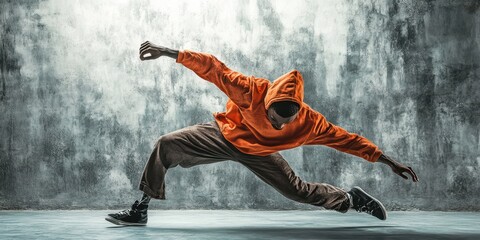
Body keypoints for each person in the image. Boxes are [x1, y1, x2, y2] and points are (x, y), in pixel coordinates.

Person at [105, 41, 418, 226]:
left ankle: (350, 199)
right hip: (224, 134)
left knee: (297, 191)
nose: (280, 126)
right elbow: (213, 68)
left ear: (298, 111)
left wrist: (388, 161)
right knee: (166, 145)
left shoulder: (310, 122)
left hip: (260, 152)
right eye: (274, 118)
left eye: (287, 121)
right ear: (266, 102)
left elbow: (347, 139)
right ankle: (140, 209)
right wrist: (169, 52)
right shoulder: (249, 90)